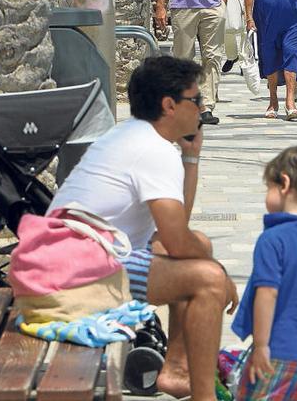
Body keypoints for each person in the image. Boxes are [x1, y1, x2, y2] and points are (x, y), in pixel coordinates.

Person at [49, 56, 239, 401]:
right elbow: (177, 241)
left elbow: (177, 230)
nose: (201, 108)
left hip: (74, 258)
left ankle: (178, 371)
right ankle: (204, 396)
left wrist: (191, 158)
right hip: (76, 272)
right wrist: (221, 274)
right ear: (169, 105)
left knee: (200, 245)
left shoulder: (132, 136)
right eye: (195, 100)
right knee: (208, 280)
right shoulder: (151, 150)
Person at [231, 146, 297, 401]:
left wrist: (261, 345)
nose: (266, 195)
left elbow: (267, 292)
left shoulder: (272, 239)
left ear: (284, 184)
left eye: (269, 187)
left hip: (276, 348)